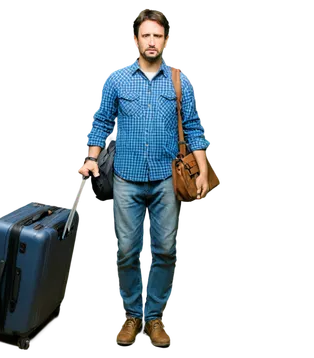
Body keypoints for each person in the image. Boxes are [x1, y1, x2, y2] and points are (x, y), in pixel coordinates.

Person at [77, 8, 212, 349]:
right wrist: (91, 159)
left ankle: (155, 317)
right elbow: (102, 123)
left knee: (166, 249)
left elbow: (195, 128)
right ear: (135, 40)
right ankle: (132, 314)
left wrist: (204, 172)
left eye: (158, 35)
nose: (151, 42)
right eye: (145, 35)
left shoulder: (182, 81)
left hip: (168, 181)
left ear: (167, 40)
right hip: (126, 179)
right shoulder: (118, 80)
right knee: (127, 251)